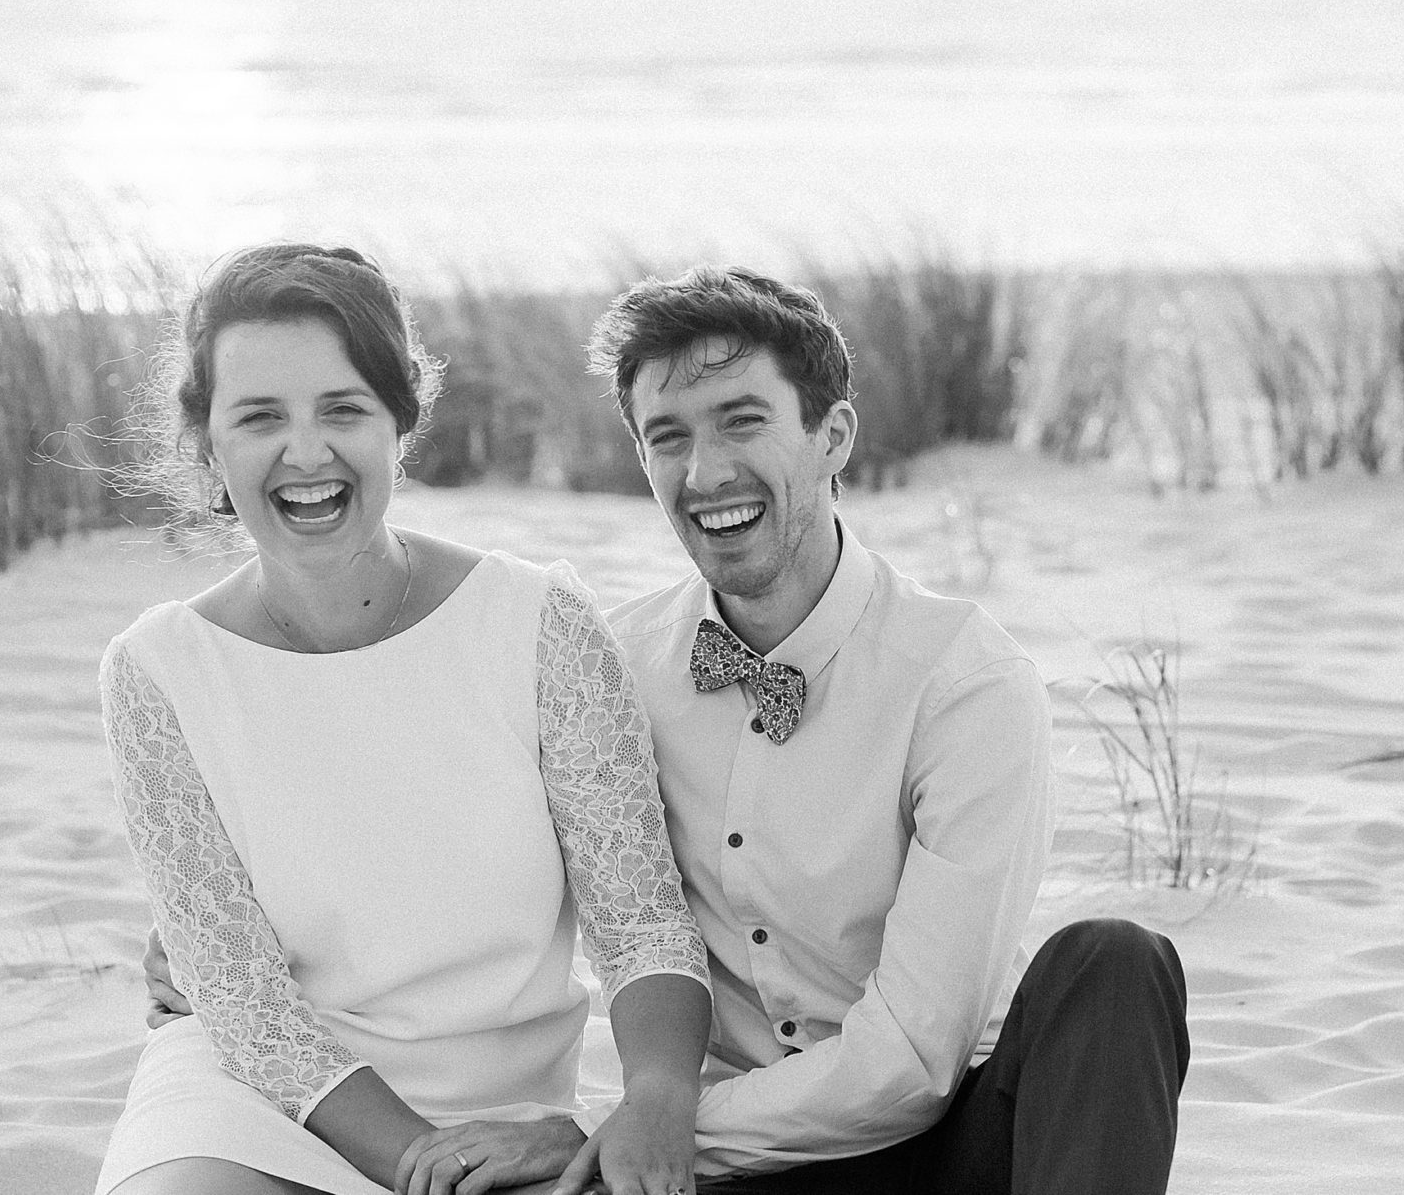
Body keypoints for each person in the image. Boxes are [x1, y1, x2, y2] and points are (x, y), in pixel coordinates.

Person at [149, 264, 1190, 1193]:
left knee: (1113, 963)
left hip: (927, 1145)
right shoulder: (611, 663)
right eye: (667, 437)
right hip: (719, 1178)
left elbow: (910, 1063)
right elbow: (439, 823)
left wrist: (632, 1127)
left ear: (832, 436)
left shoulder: (963, 683)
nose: (705, 472)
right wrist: (200, 939)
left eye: (741, 421)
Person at [97, 243, 710, 1195]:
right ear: (207, 443)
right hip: (260, 1099)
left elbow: (640, 923)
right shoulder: (158, 671)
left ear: (401, 422)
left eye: (343, 409)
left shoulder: (536, 623)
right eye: (260, 417)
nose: (306, 453)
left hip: (504, 1117)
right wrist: (419, 1165)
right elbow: (239, 997)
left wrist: (654, 1100)